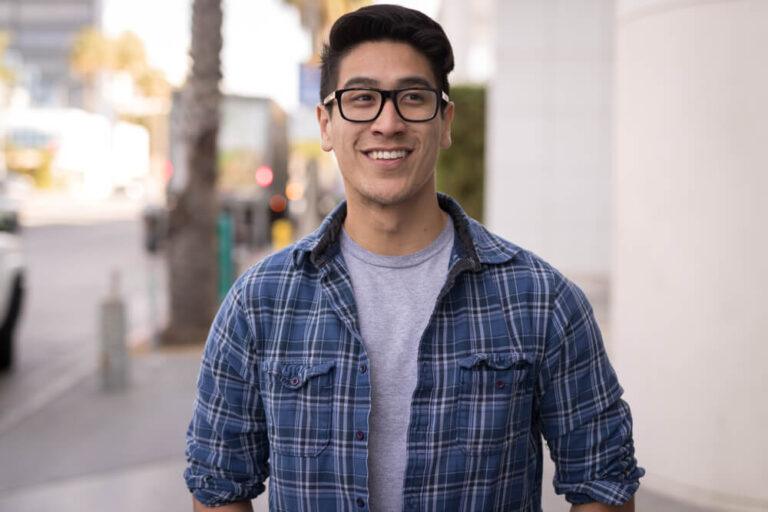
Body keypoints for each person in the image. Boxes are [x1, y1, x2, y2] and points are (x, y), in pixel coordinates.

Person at [184, 5, 643, 511]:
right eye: (361, 99)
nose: (388, 122)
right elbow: (218, 486)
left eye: (412, 98)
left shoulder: (542, 301)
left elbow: (603, 483)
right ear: (326, 124)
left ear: (444, 122)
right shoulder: (258, 303)